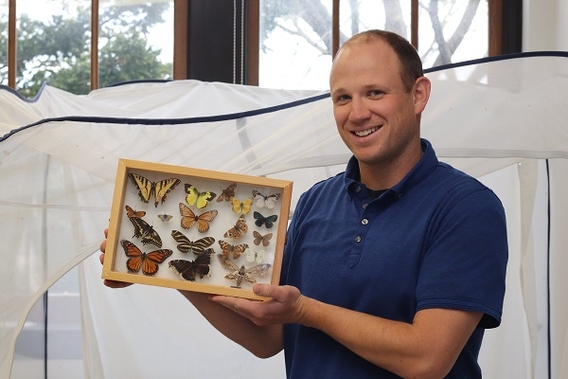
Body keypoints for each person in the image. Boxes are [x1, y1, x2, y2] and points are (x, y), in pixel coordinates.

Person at [100, 29, 508, 378]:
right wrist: (167, 263)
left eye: (375, 93)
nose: (358, 113)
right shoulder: (316, 203)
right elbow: (267, 338)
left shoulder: (467, 208)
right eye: (342, 98)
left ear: (418, 95)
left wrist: (306, 311)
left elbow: (427, 359)